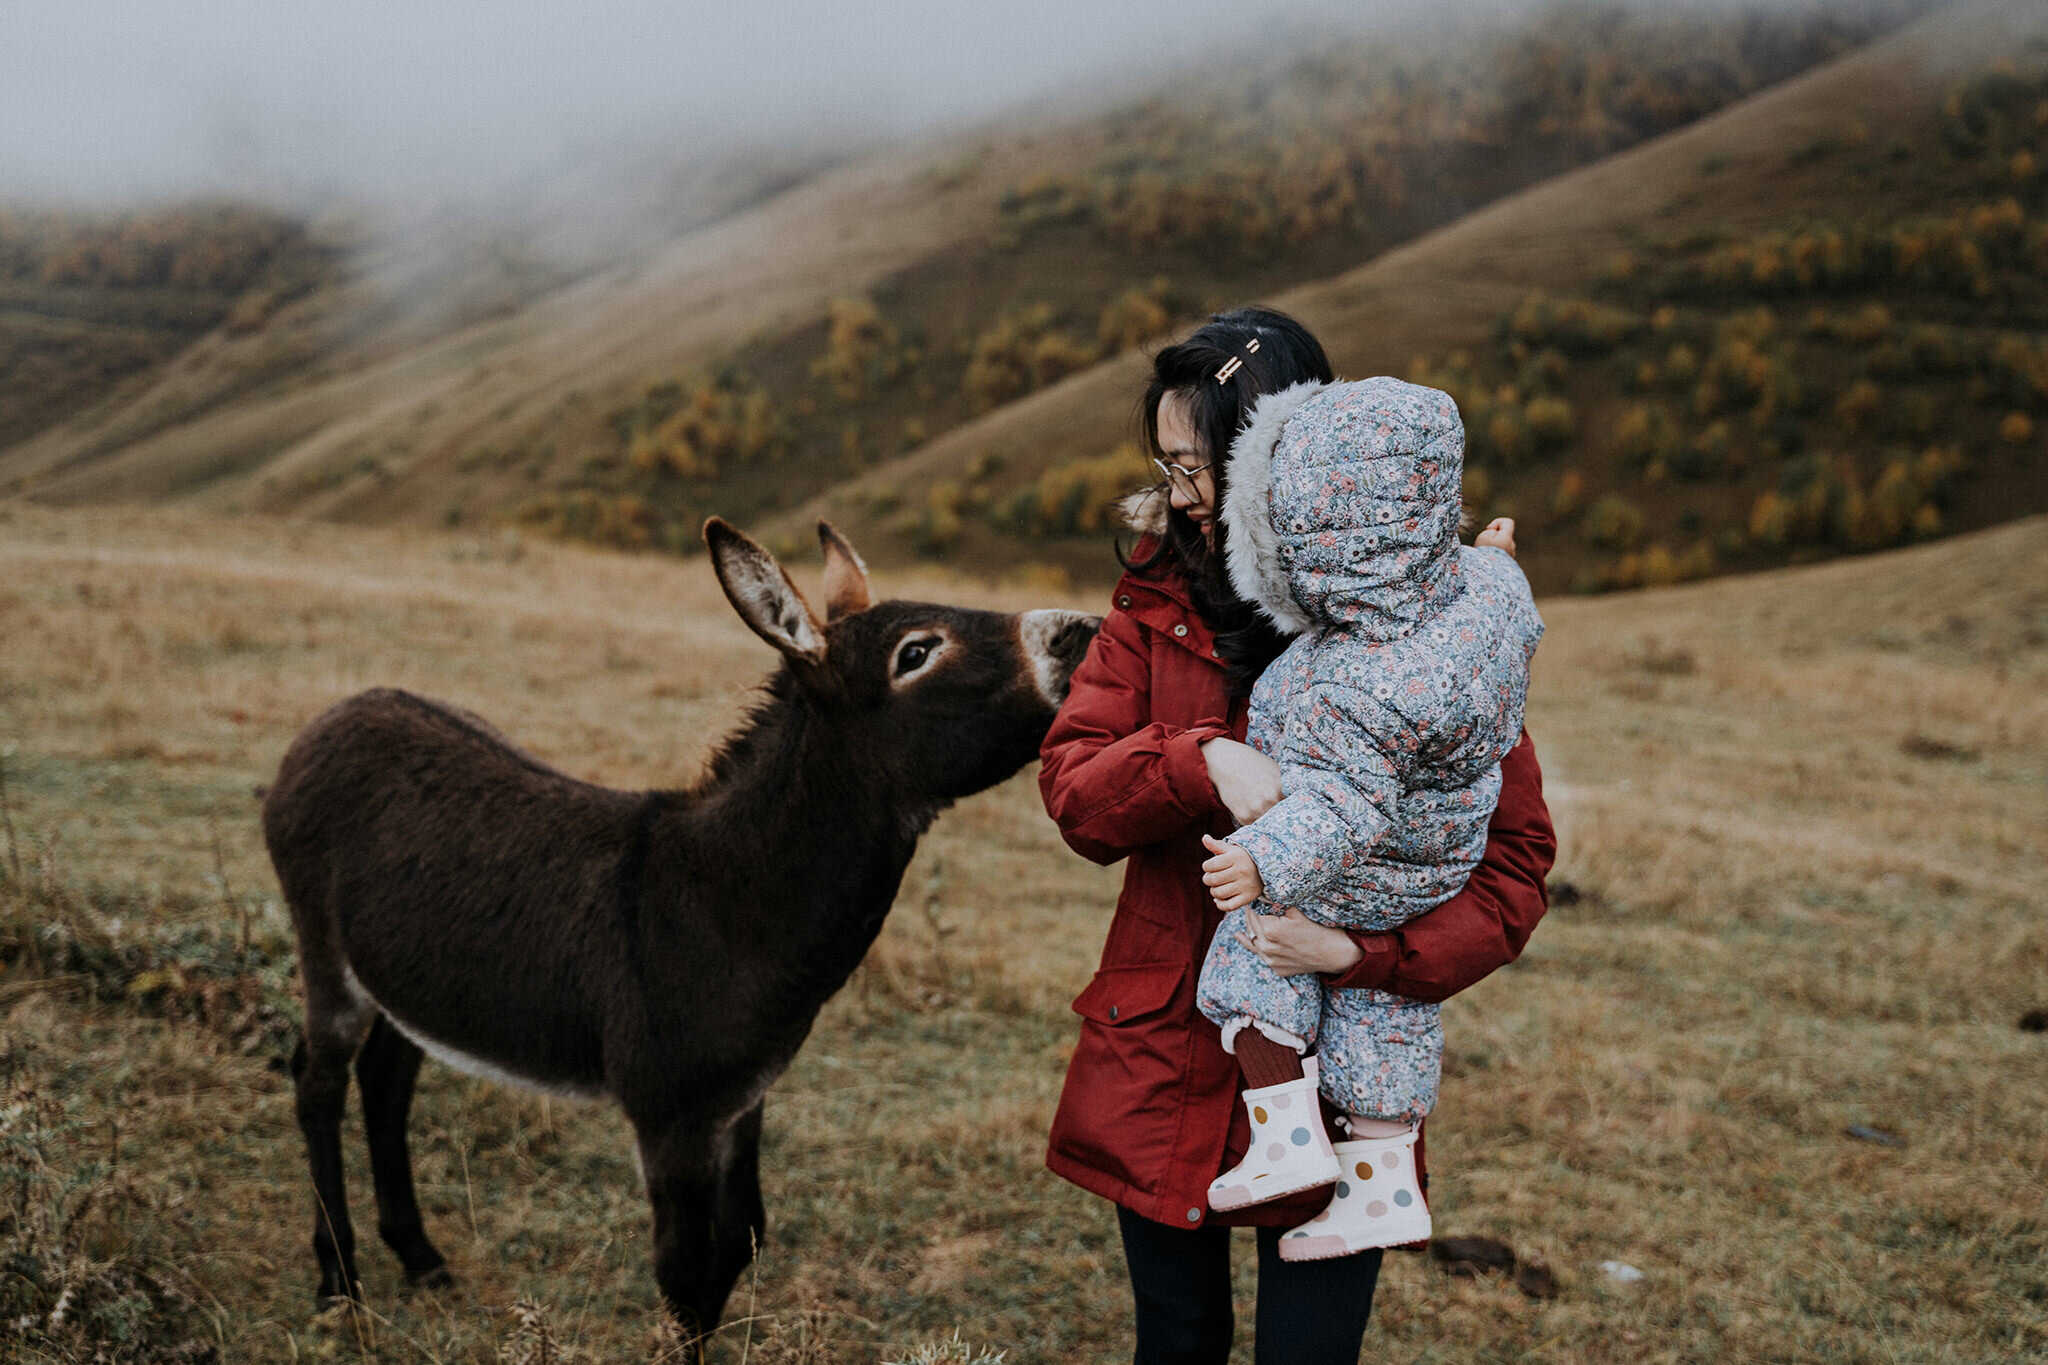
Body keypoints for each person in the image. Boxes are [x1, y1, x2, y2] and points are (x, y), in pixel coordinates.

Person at [1037, 307, 1557, 1365]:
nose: (1179, 496)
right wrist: (1194, 761)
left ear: (1283, 458)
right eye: (1165, 466)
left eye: (1198, 467)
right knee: (1175, 1343)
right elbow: (1076, 795)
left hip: (1335, 1067)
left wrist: (1363, 956)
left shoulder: (1427, 635)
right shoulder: (1151, 611)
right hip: (1166, 1044)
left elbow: (1509, 868)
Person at [1190, 375, 1543, 1262]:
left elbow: (1347, 803)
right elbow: (1512, 600)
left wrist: (1262, 862)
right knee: (1387, 1011)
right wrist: (1495, 551)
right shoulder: (1484, 598)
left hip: (1359, 862)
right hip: (1437, 866)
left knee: (1251, 950)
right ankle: (1383, 1192)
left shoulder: (1352, 681)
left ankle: (1285, 1138)